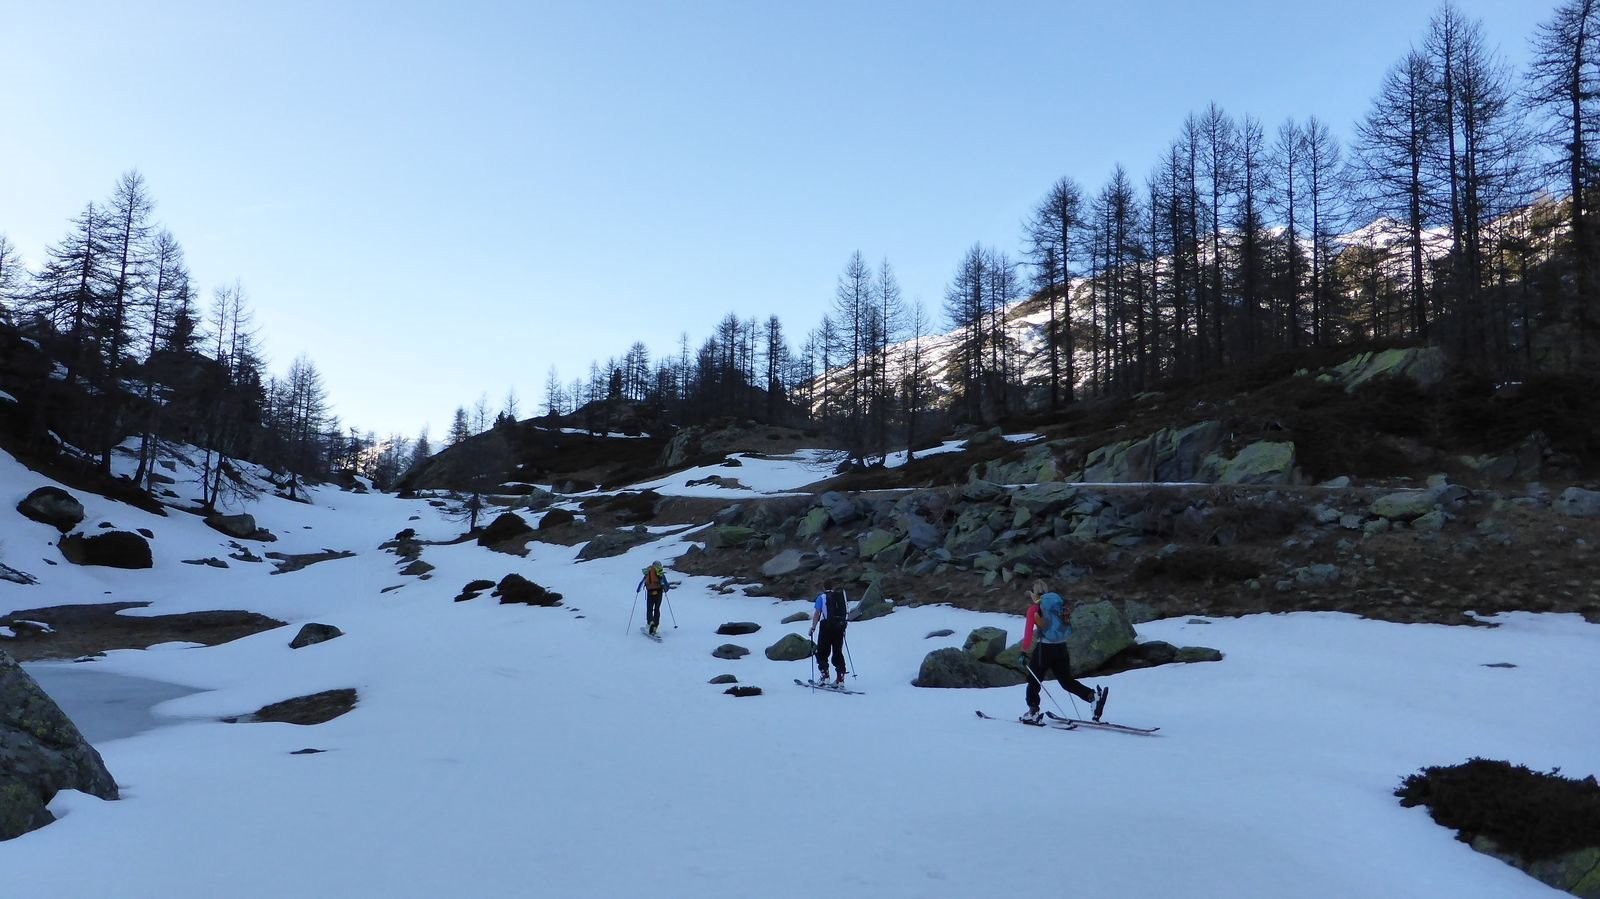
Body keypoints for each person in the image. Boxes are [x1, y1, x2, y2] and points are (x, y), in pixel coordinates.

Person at [1019, 579, 1107, 724]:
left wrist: (1023, 652)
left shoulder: (1034, 609)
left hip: (1044, 650)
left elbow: (1028, 633)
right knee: (1067, 682)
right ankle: (1092, 696)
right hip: (1061, 648)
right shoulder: (1058, 605)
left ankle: (1033, 712)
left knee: (1034, 680)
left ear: (1034, 594)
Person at [808, 587, 849, 685]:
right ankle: (840, 678)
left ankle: (825, 676)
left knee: (822, 652)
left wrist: (813, 627)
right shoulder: (840, 597)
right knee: (837, 652)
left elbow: (817, 613)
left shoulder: (821, 597)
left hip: (826, 627)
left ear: (824, 588)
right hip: (839, 627)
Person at [635, 561, 668, 636]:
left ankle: (650, 622)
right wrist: (665, 589)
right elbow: (666, 586)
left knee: (649, 609)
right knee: (657, 609)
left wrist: (638, 590)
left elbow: (642, 583)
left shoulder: (648, 572)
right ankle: (655, 626)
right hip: (659, 593)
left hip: (650, 592)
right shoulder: (660, 572)